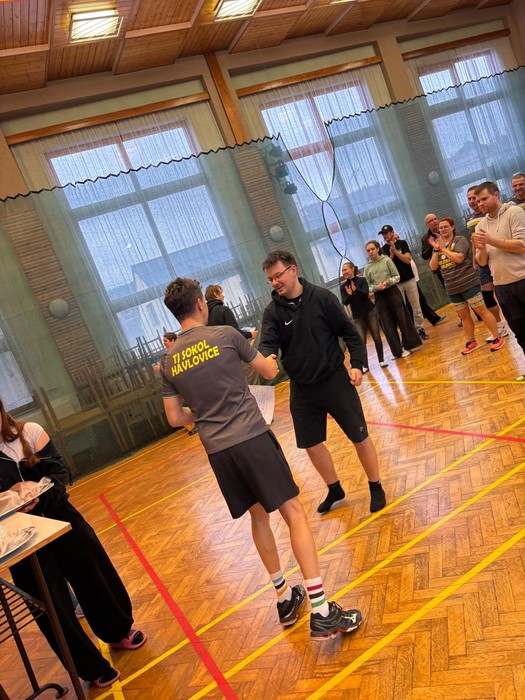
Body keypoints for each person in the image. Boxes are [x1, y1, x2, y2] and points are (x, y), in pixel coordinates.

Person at [160, 277, 363, 640]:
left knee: (258, 516)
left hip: (218, 452)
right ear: (200, 304)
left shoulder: (169, 360)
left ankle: (284, 597)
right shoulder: (225, 335)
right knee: (293, 512)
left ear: (174, 313)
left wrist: (203, 412)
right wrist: (262, 353)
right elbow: (270, 371)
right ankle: (321, 610)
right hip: (251, 438)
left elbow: (175, 418)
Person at [0, 399, 146, 689]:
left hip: (61, 517)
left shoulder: (30, 432)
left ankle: (118, 631)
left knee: (94, 573)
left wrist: (38, 494)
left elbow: (60, 474)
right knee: (50, 603)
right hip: (19, 539)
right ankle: (90, 667)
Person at [258, 250, 386, 515]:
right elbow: (268, 344)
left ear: (293, 270)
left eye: (278, 275)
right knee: (310, 444)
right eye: (270, 279)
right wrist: (266, 358)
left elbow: (350, 334)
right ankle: (334, 488)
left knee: (359, 436)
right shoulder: (272, 312)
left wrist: (356, 364)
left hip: (335, 381)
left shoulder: (322, 298)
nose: (275, 282)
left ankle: (375, 485)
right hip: (302, 388)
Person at [471, 181, 525, 380]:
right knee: (519, 329)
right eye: (478, 201)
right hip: (502, 286)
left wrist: (490, 241)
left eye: (484, 199)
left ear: (496, 195)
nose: (481, 204)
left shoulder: (514, 213)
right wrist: (481, 249)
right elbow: (482, 261)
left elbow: (521, 246)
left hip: (522, 278)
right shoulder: (481, 225)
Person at [429, 217, 505, 355]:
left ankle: (497, 337)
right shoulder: (438, 246)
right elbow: (433, 267)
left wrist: (444, 250)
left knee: (482, 311)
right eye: (440, 228)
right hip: (452, 288)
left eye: (446, 226)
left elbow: (459, 258)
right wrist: (436, 250)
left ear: (452, 227)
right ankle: (472, 341)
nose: (443, 229)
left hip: (468, 283)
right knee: (463, 316)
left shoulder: (460, 240)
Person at [364, 240, 422, 360]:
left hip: (392, 292)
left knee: (402, 319)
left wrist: (387, 282)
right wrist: (376, 287)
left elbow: (397, 276)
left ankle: (411, 345)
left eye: (372, 249)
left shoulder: (386, 260)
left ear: (377, 249)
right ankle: (397, 351)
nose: (371, 252)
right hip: (379, 297)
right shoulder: (367, 268)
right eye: (368, 250)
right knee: (387, 325)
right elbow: (367, 286)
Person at [466, 185, 508, 343]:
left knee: (505, 293)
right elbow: (475, 242)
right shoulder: (471, 220)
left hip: (501, 258)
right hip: (483, 260)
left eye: (476, 198)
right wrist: (475, 260)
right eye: (470, 199)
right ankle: (499, 325)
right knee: (487, 295)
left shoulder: (497, 213)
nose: (473, 202)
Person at [379, 225, 429, 340]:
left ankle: (420, 329)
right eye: (383, 234)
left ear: (392, 232)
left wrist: (395, 251)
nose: (385, 236)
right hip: (396, 283)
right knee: (400, 310)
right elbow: (386, 268)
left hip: (409, 279)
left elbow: (407, 260)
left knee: (416, 306)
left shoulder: (402, 243)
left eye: (386, 233)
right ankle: (406, 334)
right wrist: (391, 254)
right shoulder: (383, 250)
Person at [205, 284, 260, 385]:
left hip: (218, 360)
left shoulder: (204, 317)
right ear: (215, 294)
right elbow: (235, 334)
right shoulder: (223, 310)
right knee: (251, 380)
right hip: (233, 354)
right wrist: (250, 334)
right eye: (221, 293)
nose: (223, 296)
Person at [339, 261, 387, 372]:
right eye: (342, 271)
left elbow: (365, 294)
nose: (344, 272)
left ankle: (381, 360)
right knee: (361, 341)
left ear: (352, 269)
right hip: (357, 316)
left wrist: (356, 290)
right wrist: (350, 295)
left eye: (345, 269)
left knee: (376, 336)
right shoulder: (343, 287)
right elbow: (345, 302)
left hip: (370, 311)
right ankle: (365, 365)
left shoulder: (362, 280)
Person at [154, 333, 197, 435]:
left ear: (173, 340)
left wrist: (161, 368)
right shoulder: (167, 355)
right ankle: (197, 422)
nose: (164, 343)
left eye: (165, 341)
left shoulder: (179, 350)